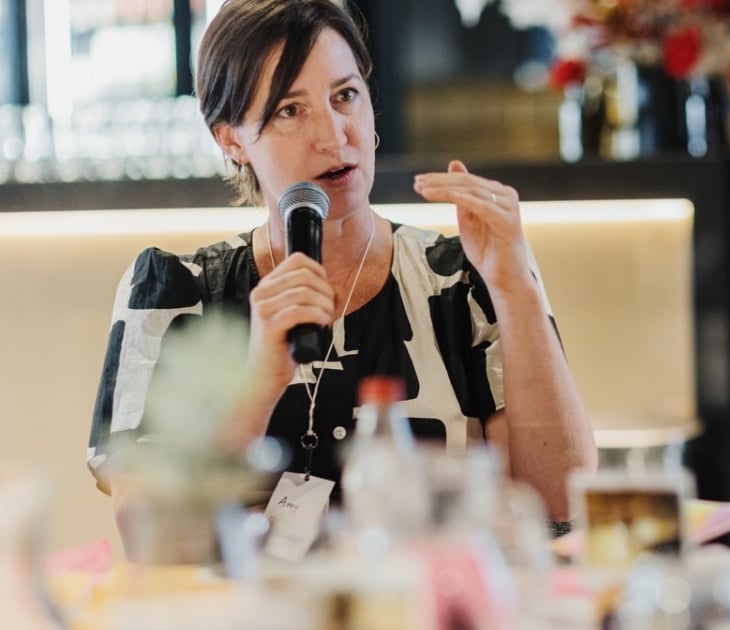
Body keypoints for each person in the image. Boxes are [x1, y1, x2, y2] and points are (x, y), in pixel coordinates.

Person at [86, 0, 597, 549]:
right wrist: (258, 382)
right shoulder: (175, 292)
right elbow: (147, 531)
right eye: (289, 109)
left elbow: (561, 505)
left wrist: (515, 287)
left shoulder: (463, 279)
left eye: (345, 96)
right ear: (230, 139)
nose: (333, 135)